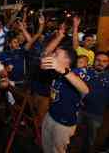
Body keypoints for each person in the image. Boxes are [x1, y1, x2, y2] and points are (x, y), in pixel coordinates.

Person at [40, 25, 90, 153]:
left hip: (63, 123)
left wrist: (64, 71)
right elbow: (44, 55)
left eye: (56, 54)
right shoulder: (54, 70)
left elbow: (85, 90)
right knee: (46, 147)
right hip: (50, 115)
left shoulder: (76, 73)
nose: (53, 55)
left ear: (67, 60)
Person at [79, 52, 109, 153]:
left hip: (96, 114)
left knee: (89, 139)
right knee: (71, 134)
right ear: (94, 61)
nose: (101, 63)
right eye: (98, 60)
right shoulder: (85, 72)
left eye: (104, 61)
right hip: (79, 110)